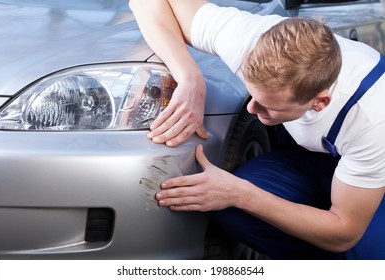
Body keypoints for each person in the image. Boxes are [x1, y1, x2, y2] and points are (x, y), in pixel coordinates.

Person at [129, 0, 385, 259]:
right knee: (232, 209)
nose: (252, 109)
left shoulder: (373, 119)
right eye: (253, 95)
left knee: (366, 254)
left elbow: (345, 232)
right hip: (313, 159)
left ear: (319, 103)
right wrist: (189, 77)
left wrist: (241, 193)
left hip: (374, 176)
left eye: (269, 105)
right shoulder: (246, 37)